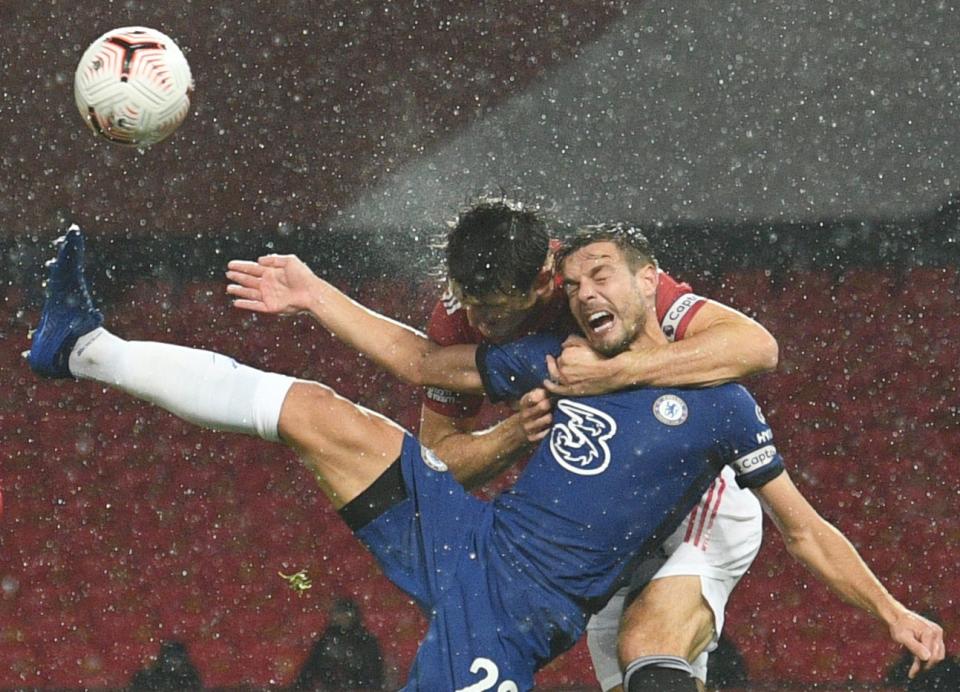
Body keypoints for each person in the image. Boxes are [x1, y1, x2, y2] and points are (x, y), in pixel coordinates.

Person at [29, 226, 943, 690]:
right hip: (468, 532)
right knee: (312, 412)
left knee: (649, 652)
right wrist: (316, 294)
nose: (586, 293)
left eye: (603, 278)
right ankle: (82, 348)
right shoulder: (551, 361)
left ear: (647, 283)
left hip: (511, 619)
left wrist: (891, 610)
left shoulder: (721, 401)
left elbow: (806, 529)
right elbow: (425, 363)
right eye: (575, 281)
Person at [224, 200, 778, 690]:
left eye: (498, 310)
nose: (481, 322)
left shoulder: (597, 280)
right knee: (646, 677)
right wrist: (512, 433)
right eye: (471, 303)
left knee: (650, 655)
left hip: (692, 496)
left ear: (543, 284)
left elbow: (753, 346)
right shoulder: (457, 321)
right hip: (600, 524)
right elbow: (444, 463)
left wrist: (618, 373)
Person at [291, 597, 385, 691]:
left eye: (345, 613)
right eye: (339, 613)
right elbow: (312, 666)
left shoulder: (365, 641)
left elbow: (372, 673)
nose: (342, 617)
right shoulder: (327, 639)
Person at [128, 639, 202, 691]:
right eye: (170, 659)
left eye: (176, 659)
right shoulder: (151, 678)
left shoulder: (190, 679)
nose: (173, 663)